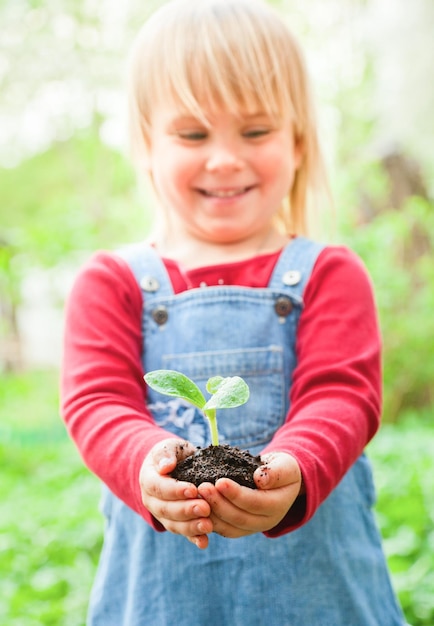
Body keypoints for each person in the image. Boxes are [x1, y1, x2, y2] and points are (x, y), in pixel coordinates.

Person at [60, 1, 406, 624]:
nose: (224, 158)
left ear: (298, 142)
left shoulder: (328, 273)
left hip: (319, 602)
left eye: (255, 131)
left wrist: (294, 469)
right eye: (192, 134)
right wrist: (150, 463)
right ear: (146, 143)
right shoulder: (113, 283)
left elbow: (342, 394)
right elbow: (98, 403)